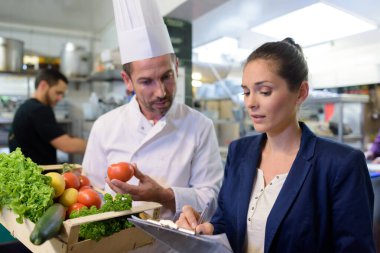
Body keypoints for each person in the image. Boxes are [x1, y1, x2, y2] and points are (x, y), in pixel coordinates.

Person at [177, 38, 375, 253]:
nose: (251, 102)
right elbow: (227, 221)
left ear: (300, 93)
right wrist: (206, 228)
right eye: (246, 92)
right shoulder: (240, 152)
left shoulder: (340, 165)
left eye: (264, 91)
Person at [82, 0, 223, 221]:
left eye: (167, 77)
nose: (161, 92)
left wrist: (164, 196)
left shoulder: (200, 126)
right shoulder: (105, 126)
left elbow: (212, 200)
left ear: (176, 67)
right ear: (127, 81)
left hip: (173, 245)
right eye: (146, 81)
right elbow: (89, 191)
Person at [8, 68, 87, 165]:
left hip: (26, 175)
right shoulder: (39, 110)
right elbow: (67, 145)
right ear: (43, 85)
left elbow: (57, 137)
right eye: (58, 92)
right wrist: (97, 144)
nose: (60, 98)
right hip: (38, 177)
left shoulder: (26, 107)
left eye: (62, 95)